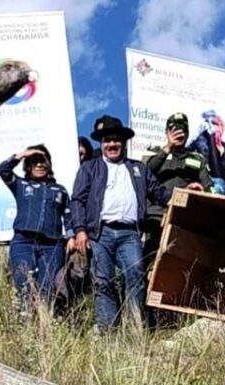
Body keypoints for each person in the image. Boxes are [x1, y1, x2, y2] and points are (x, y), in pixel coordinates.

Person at [71, 115, 171, 333]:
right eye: (107, 140)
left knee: (136, 276)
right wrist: (80, 231)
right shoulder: (90, 168)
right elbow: (78, 200)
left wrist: (184, 196)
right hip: (101, 232)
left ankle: (135, 327)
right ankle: (107, 330)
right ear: (102, 143)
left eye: (116, 140)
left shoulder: (138, 169)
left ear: (123, 142)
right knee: (103, 280)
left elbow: (161, 194)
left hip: (130, 234)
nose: (112, 144)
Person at [0, 145, 72, 308]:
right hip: (23, 243)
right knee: (22, 285)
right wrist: (22, 154)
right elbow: (3, 169)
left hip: (52, 246)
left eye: (43, 161)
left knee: (47, 288)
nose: (40, 165)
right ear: (28, 165)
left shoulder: (59, 190)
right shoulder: (20, 185)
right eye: (35, 161)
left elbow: (69, 216)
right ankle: (23, 328)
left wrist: (72, 236)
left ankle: (44, 327)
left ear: (49, 165)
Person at [141, 113, 212, 259]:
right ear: (166, 133)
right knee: (152, 260)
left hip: (183, 219)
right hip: (156, 219)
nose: (179, 134)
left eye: (183, 130)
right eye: (174, 130)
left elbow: (208, 188)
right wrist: (169, 147)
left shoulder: (197, 158)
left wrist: (196, 192)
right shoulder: (153, 154)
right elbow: (143, 174)